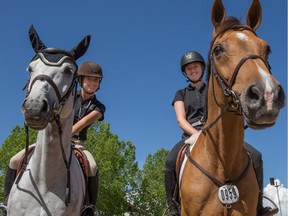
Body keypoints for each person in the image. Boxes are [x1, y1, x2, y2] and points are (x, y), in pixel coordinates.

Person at [164, 50, 278, 216]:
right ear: (185, 73)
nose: (193, 70)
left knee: (256, 156)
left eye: (195, 66)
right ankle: (173, 208)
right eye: (189, 69)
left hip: (218, 134)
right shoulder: (180, 94)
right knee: (170, 160)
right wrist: (197, 133)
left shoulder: (214, 90)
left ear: (202, 68)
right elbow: (181, 120)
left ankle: (259, 205)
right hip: (191, 135)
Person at [1, 61, 105, 216]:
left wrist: (64, 135)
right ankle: (5, 204)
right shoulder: (68, 96)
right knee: (15, 160)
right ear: (81, 80)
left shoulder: (98, 107)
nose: (93, 83)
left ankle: (89, 208)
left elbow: (80, 124)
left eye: (96, 80)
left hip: (75, 142)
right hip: (50, 140)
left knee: (92, 166)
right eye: (89, 79)